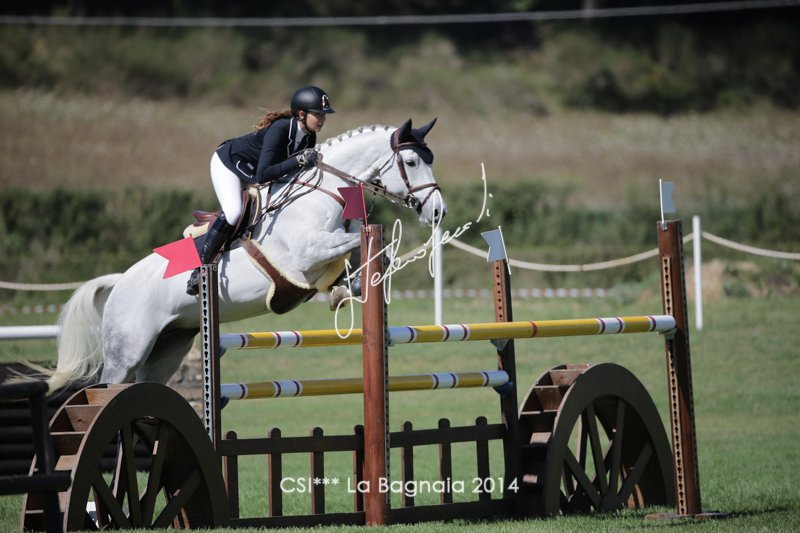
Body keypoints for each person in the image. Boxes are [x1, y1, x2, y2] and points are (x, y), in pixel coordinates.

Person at [187, 85, 335, 295]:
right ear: (302, 114)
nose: (322, 119)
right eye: (318, 114)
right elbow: (264, 175)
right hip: (229, 163)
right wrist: (299, 161)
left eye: (324, 114)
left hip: (253, 170)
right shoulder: (280, 129)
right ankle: (200, 269)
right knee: (233, 212)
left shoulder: (309, 136)